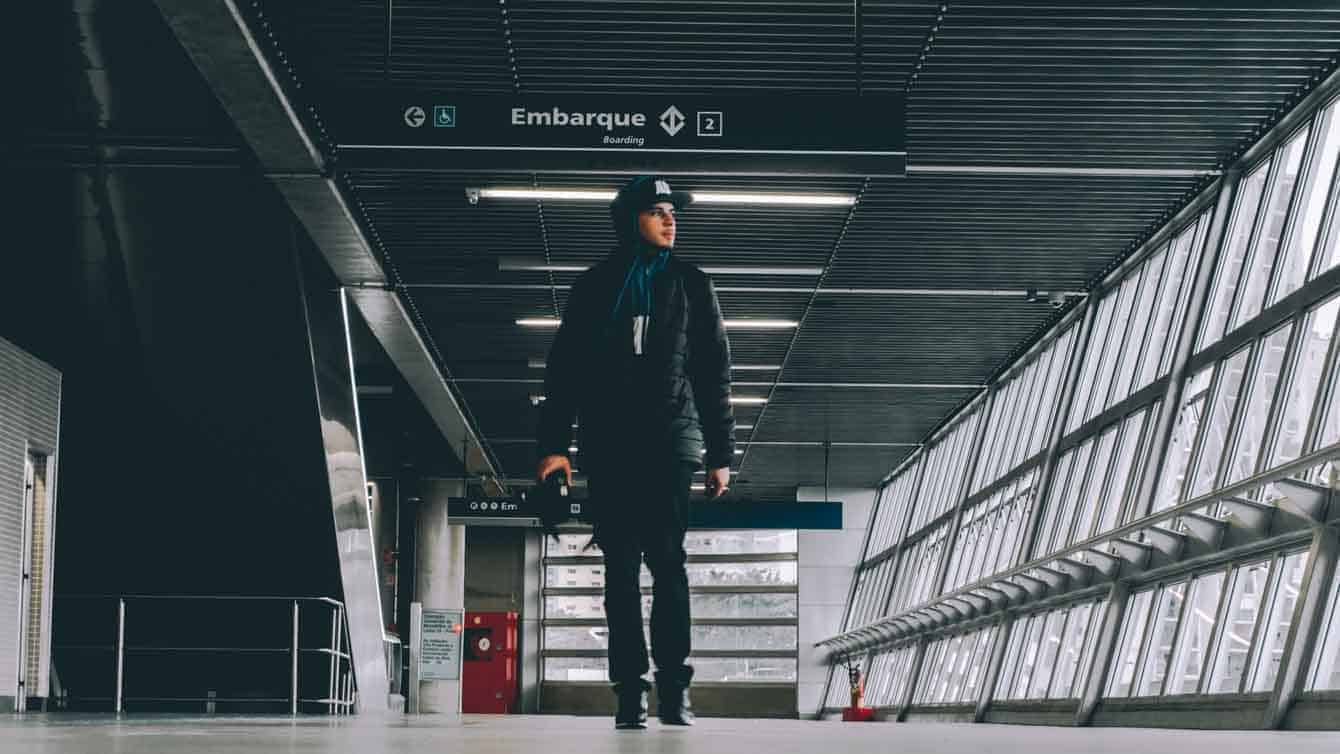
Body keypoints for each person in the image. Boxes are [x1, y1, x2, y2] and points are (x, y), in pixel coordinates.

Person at [535, 175, 735, 729]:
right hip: (609, 446)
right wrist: (553, 447)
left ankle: (674, 690)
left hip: (671, 444)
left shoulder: (693, 284)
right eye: (657, 211)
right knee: (620, 570)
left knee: (668, 564)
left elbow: (713, 370)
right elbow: (564, 371)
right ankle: (629, 691)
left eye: (673, 211)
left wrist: (721, 451)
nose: (671, 220)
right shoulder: (594, 286)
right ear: (629, 221)